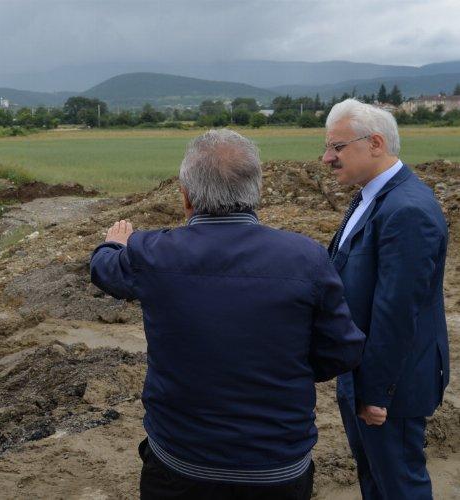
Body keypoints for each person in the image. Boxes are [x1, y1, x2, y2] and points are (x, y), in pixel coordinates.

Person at [90, 129, 365, 500]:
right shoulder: (307, 257)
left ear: (187, 196)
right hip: (278, 468)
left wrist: (114, 243)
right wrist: (285, 367)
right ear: (256, 192)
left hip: (181, 463)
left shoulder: (153, 253)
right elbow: (343, 351)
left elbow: (104, 269)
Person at [323, 99, 449, 500]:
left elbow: (397, 312)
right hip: (365, 376)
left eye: (337, 148)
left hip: (391, 386)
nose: (327, 158)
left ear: (375, 143)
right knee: (376, 480)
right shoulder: (370, 197)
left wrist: (377, 394)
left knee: (399, 486)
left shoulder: (407, 210)